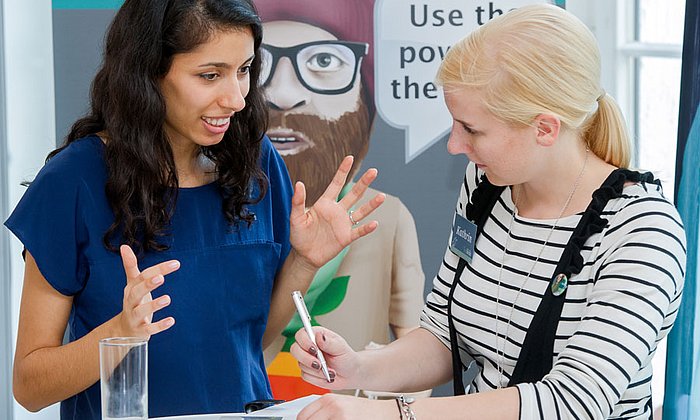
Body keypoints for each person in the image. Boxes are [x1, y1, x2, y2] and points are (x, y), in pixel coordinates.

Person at [289, 4, 687, 419]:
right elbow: (444, 336)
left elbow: (573, 402)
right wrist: (358, 369)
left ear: (545, 129)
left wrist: (392, 415)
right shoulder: (485, 189)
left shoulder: (642, 232)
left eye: (472, 129)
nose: (454, 146)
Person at [4, 1, 385, 419]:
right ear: (148, 72)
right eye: (210, 75)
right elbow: (30, 386)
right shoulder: (72, 180)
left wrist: (305, 262)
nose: (237, 99)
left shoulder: (255, 163)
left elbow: (250, 342)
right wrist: (119, 334)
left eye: (244, 71)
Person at [253, 0, 426, 399]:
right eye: (258, 67)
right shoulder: (223, 215)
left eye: (325, 61)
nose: (283, 95)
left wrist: (394, 411)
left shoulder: (388, 217)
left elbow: (419, 339)